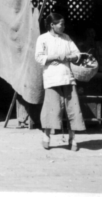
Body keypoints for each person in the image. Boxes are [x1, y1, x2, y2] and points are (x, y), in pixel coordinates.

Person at [35, 12, 86, 151]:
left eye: (63, 24)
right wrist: (55, 57)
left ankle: (72, 138)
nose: (63, 27)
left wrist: (70, 58)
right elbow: (39, 57)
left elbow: (77, 54)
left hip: (67, 77)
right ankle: (46, 137)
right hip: (52, 78)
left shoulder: (67, 38)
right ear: (52, 25)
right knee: (52, 109)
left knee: (72, 108)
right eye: (60, 24)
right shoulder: (43, 39)